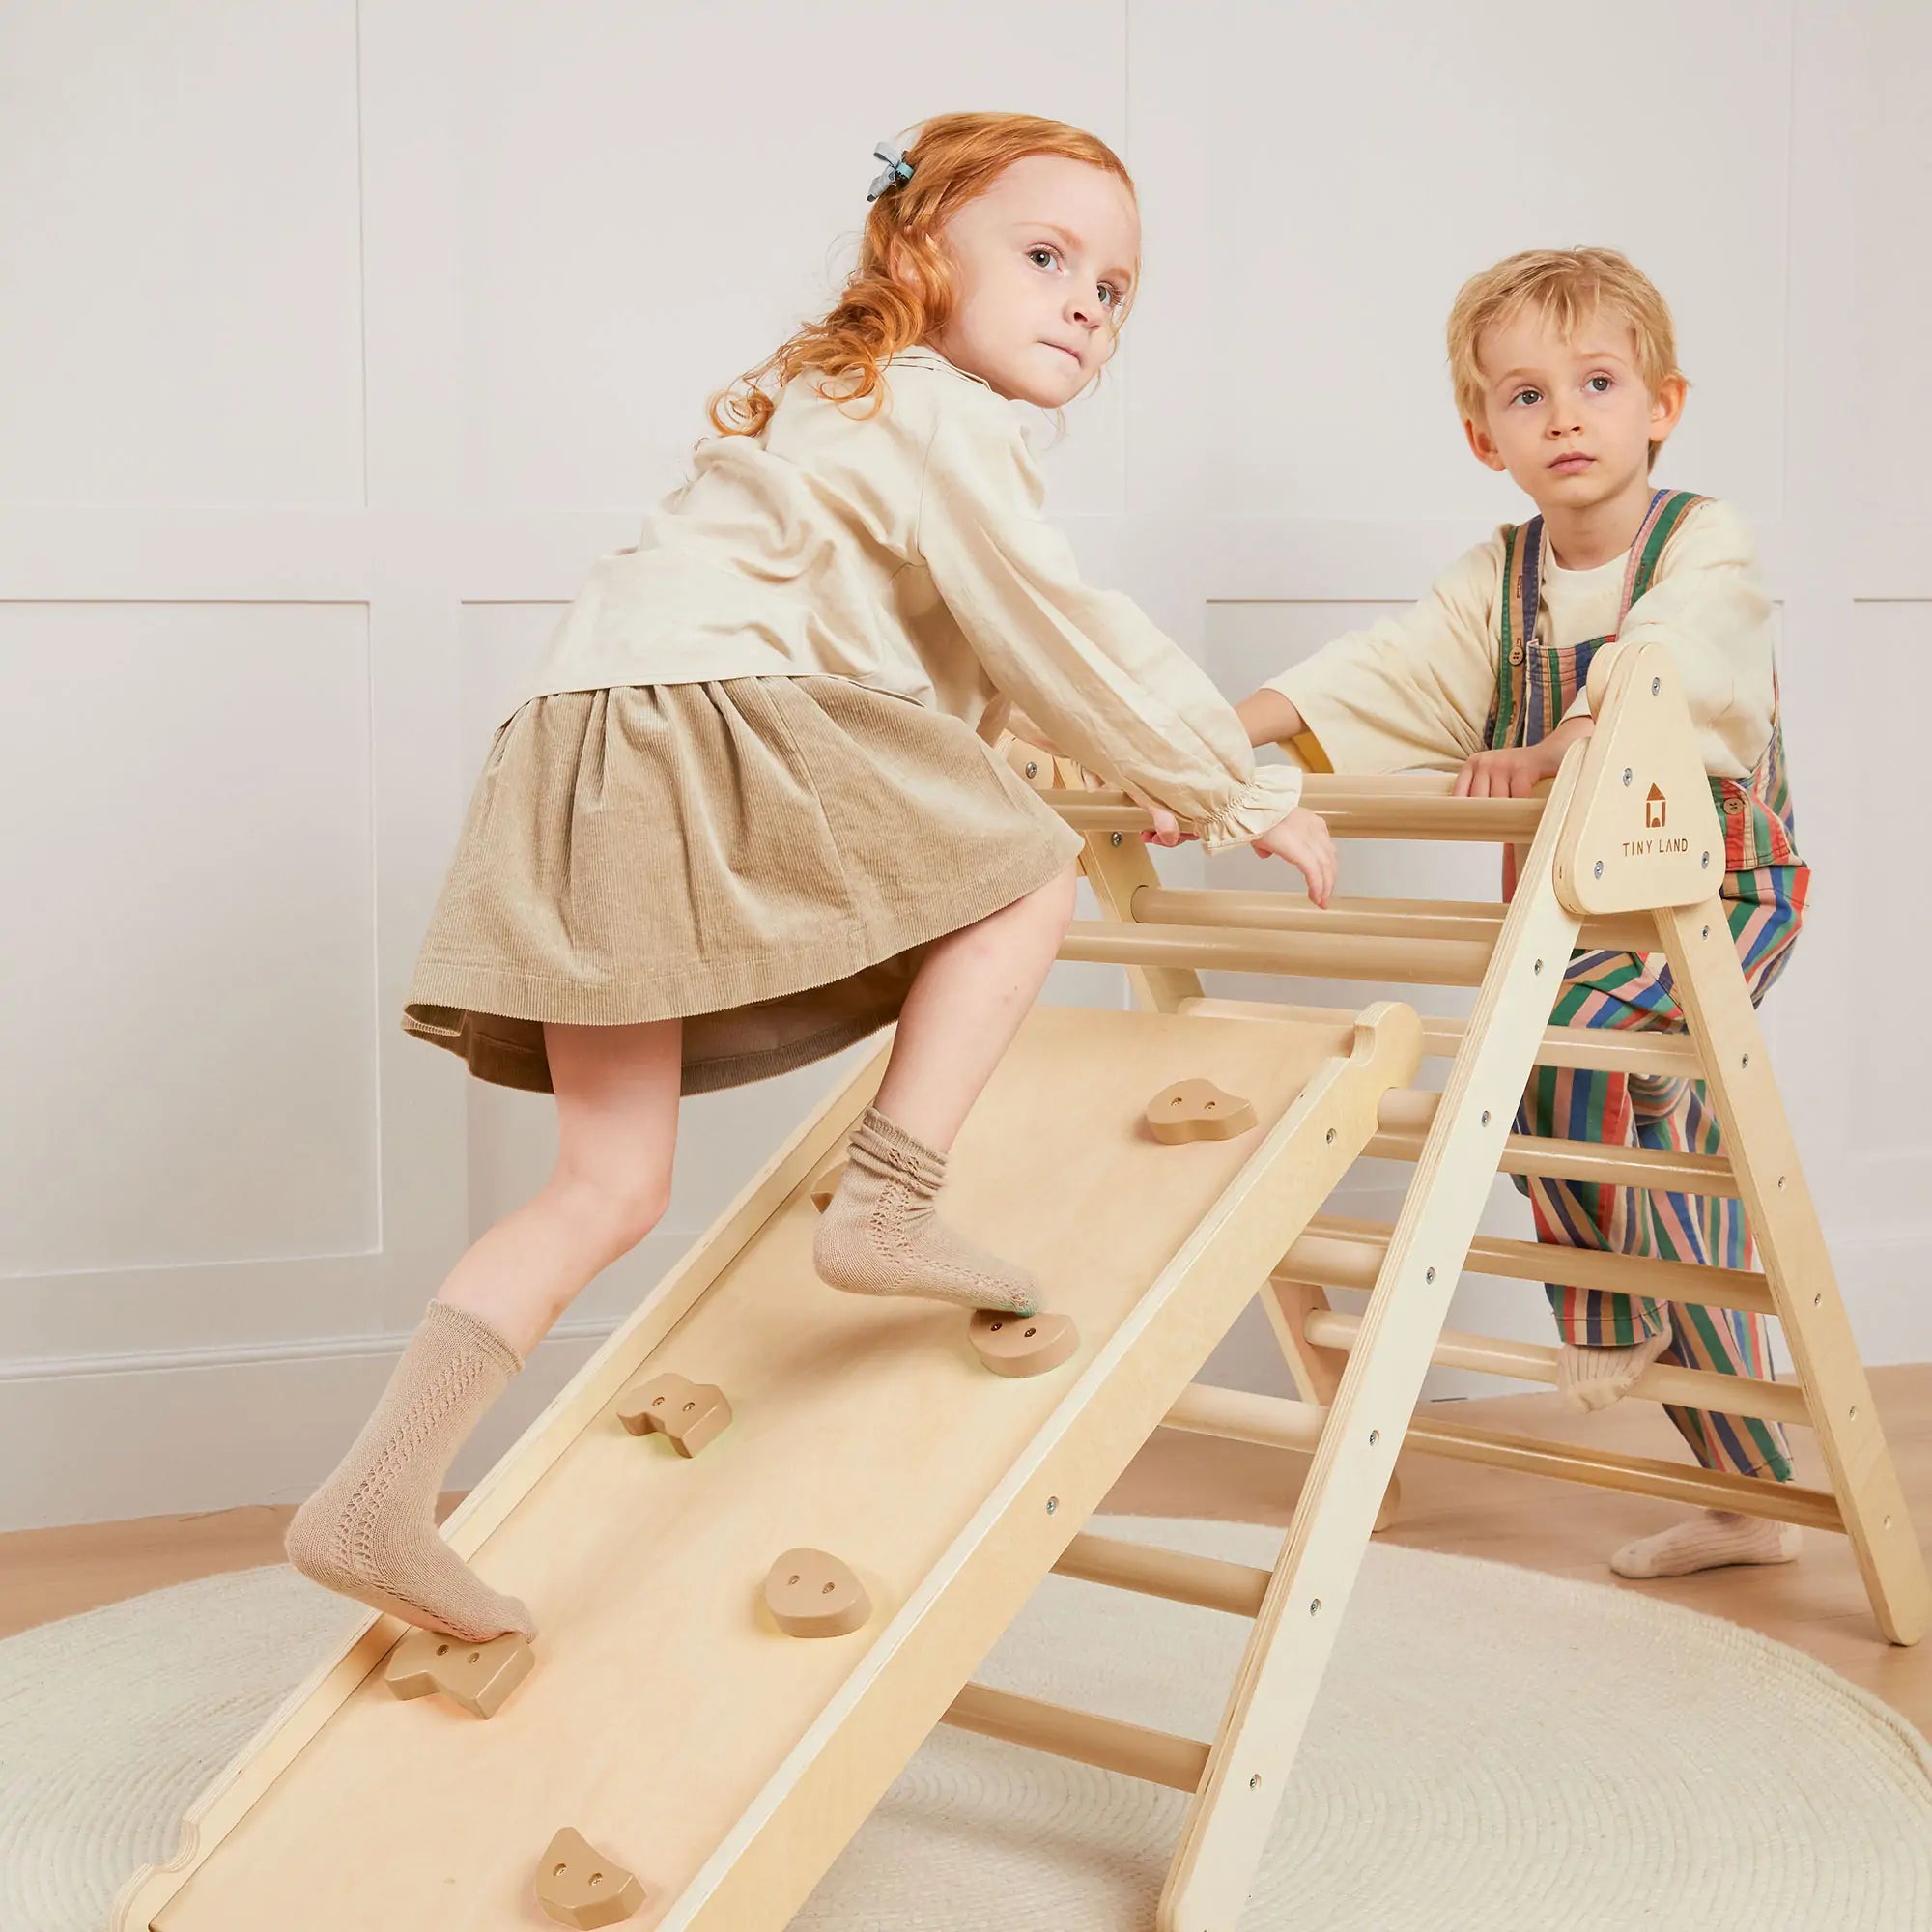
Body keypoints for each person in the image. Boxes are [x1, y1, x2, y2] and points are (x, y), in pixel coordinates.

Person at [284, 111, 1333, 1642]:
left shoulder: (837, 408)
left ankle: (375, 1496)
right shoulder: (934, 406)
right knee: (1024, 879)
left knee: (607, 1184)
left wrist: (1113, 767)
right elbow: (1055, 621)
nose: (1083, 307)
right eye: (1046, 258)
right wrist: (1234, 787)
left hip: (585, 747)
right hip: (712, 727)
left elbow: (959, 653)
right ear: (919, 254)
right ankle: (889, 1203)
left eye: (1113, 289)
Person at [1236, 247, 1807, 1582]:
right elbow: (1383, 678)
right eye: (1527, 394)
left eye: (1597, 383)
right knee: (1667, 1172)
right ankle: (1752, 1498)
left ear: (1661, 404)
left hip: (1716, 886)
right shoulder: (1494, 584)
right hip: (1575, 908)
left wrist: (1568, 740)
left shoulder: (1701, 543)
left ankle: (1609, 1310)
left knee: (1556, 1052)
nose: (1566, 417)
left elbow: (1680, 648)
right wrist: (1205, 733)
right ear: (1482, 432)